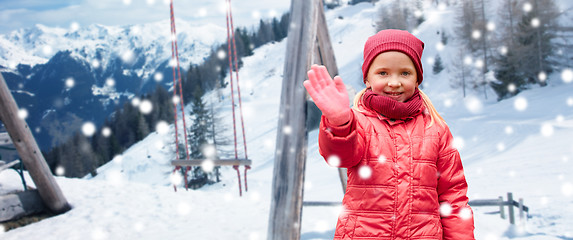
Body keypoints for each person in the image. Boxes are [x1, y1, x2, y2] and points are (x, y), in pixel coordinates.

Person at [303, 29, 475, 239]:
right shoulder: (360, 123)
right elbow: (338, 156)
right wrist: (339, 122)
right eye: (383, 73)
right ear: (367, 78)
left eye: (405, 73)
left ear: (417, 79)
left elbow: (453, 197)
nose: (394, 82)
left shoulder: (436, 129)